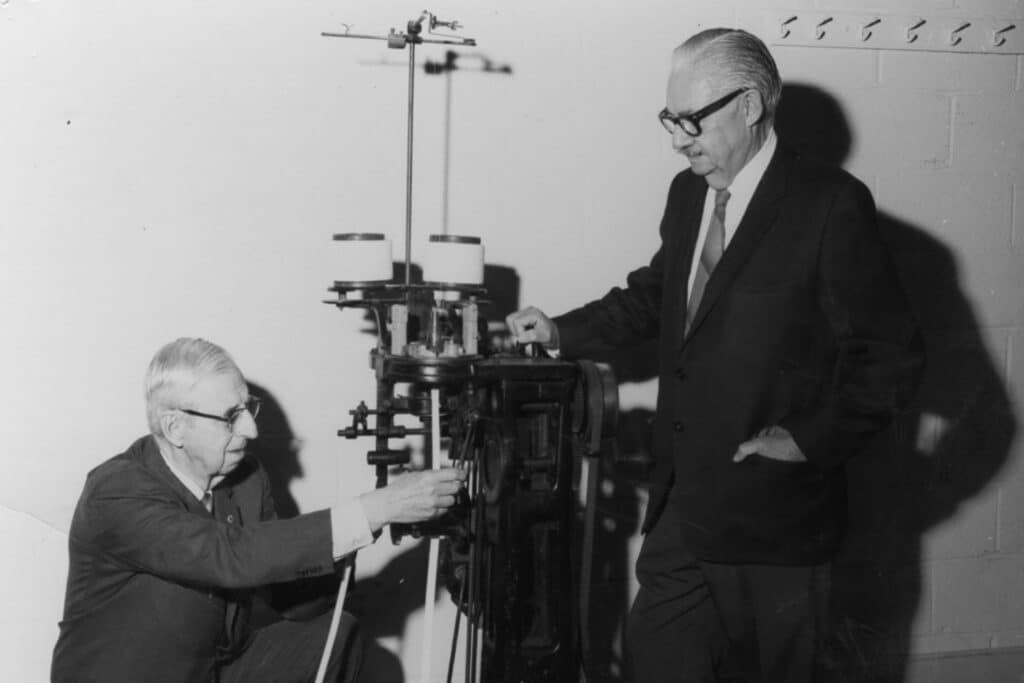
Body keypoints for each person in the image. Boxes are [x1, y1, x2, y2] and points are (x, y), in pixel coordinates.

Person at [506, 28, 921, 682]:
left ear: (750, 105)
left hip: (777, 520)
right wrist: (558, 331)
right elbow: (657, 297)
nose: (678, 137)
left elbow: (891, 356)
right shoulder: (687, 192)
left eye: (692, 118)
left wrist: (807, 440)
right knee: (657, 660)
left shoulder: (829, 204)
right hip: (682, 510)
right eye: (669, 119)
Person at [52, 337, 466, 683]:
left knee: (336, 635)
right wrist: (371, 511)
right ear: (175, 427)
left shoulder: (244, 477)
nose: (251, 429)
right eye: (232, 418)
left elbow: (291, 596)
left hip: (212, 671)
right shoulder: (116, 492)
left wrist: (369, 529)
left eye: (248, 408)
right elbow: (230, 556)